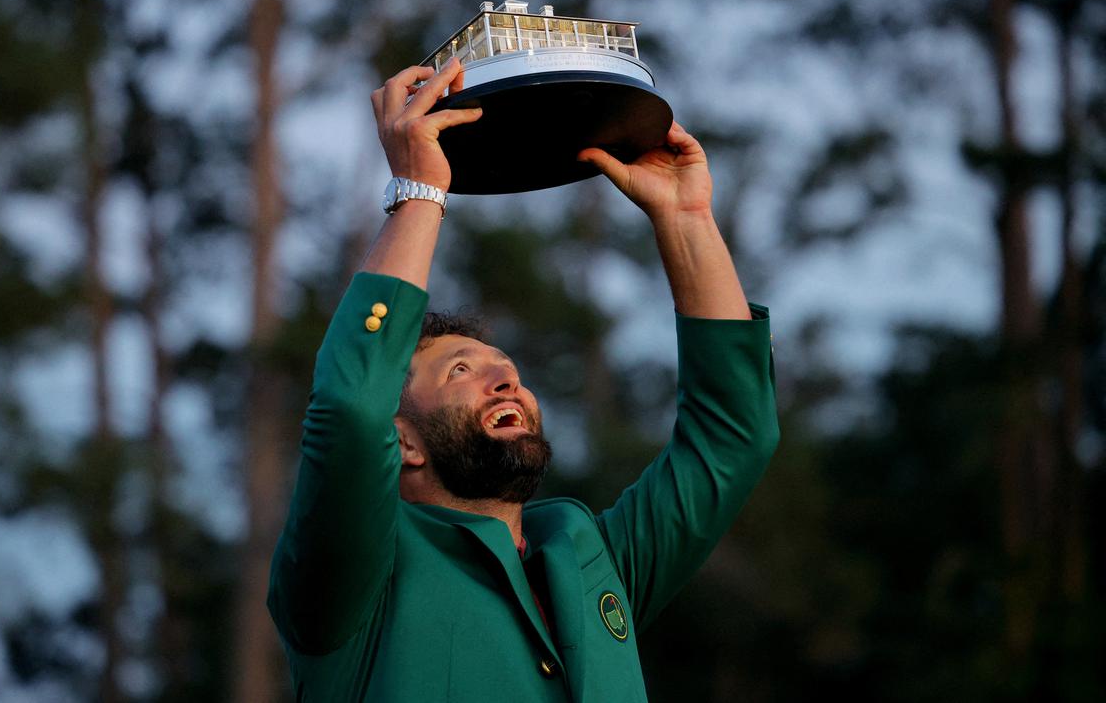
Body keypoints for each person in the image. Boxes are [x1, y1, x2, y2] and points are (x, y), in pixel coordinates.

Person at [267, 57, 779, 701]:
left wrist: (686, 220)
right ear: (402, 442)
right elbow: (348, 407)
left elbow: (732, 440)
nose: (506, 382)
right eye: (462, 371)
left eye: (508, 373)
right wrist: (421, 189)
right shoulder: (350, 577)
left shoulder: (592, 559)